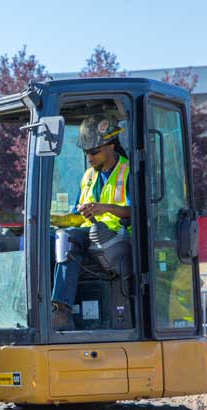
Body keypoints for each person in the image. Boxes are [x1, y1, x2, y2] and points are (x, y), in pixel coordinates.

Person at [51, 114, 131, 330]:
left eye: (94, 151)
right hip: (87, 233)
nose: (89, 156)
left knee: (66, 239)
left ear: (111, 146)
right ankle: (42, 305)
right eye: (86, 151)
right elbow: (78, 215)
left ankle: (62, 310)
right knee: (46, 237)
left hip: (114, 236)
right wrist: (54, 219)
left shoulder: (128, 171)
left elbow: (136, 211)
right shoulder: (88, 176)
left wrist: (104, 208)